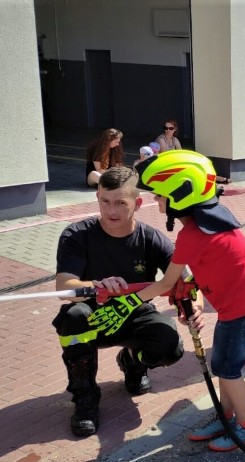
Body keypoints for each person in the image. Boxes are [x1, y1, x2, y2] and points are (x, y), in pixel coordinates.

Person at [94, 150, 245, 452]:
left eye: (161, 195)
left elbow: (165, 282)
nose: (157, 201)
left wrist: (123, 301)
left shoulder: (192, 234)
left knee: (228, 369)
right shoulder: (212, 220)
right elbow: (189, 276)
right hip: (243, 303)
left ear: (180, 196)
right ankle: (226, 417)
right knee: (222, 365)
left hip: (241, 308)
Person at [53, 166, 186, 437]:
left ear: (137, 203)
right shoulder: (76, 235)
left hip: (133, 315)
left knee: (169, 346)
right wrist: (94, 285)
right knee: (73, 316)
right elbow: (64, 287)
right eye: (104, 201)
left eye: (120, 203)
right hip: (93, 318)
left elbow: (182, 279)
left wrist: (190, 305)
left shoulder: (151, 238)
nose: (110, 211)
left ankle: (131, 362)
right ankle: (85, 397)